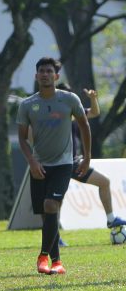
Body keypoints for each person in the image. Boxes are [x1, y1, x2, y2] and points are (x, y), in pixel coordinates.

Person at [17, 57, 91, 275]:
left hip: (63, 164)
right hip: (39, 165)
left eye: (49, 71)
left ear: (56, 76)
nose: (45, 74)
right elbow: (22, 138)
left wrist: (87, 157)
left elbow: (84, 126)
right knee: (47, 215)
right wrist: (32, 161)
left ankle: (42, 256)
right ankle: (56, 262)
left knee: (51, 205)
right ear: (36, 75)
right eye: (41, 71)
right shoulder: (27, 105)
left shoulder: (69, 99)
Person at [57, 84, 126, 230]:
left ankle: (111, 219)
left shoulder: (74, 112)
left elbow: (94, 112)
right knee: (56, 199)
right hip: (58, 164)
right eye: (63, 94)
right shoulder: (53, 114)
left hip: (75, 163)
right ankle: (54, 232)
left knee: (104, 182)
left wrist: (93, 98)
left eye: (69, 94)